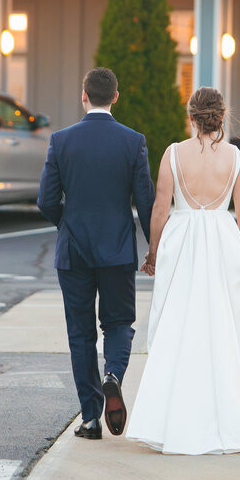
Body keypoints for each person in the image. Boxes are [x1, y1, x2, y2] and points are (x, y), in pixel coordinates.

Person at [126, 86, 240, 455]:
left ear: (191, 116)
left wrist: (152, 252)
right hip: (222, 239)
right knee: (223, 329)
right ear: (222, 116)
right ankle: (227, 419)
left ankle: (171, 419)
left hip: (182, 240)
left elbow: (160, 208)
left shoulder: (173, 153)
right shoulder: (234, 157)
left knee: (180, 325)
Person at [38, 67, 155, 440]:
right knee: (119, 323)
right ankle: (113, 375)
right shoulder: (133, 141)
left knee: (80, 333)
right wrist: (153, 246)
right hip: (118, 248)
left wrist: (66, 224)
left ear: (83, 95)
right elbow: (147, 202)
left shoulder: (61, 140)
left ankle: (90, 418)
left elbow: (45, 200)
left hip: (73, 250)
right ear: (115, 97)